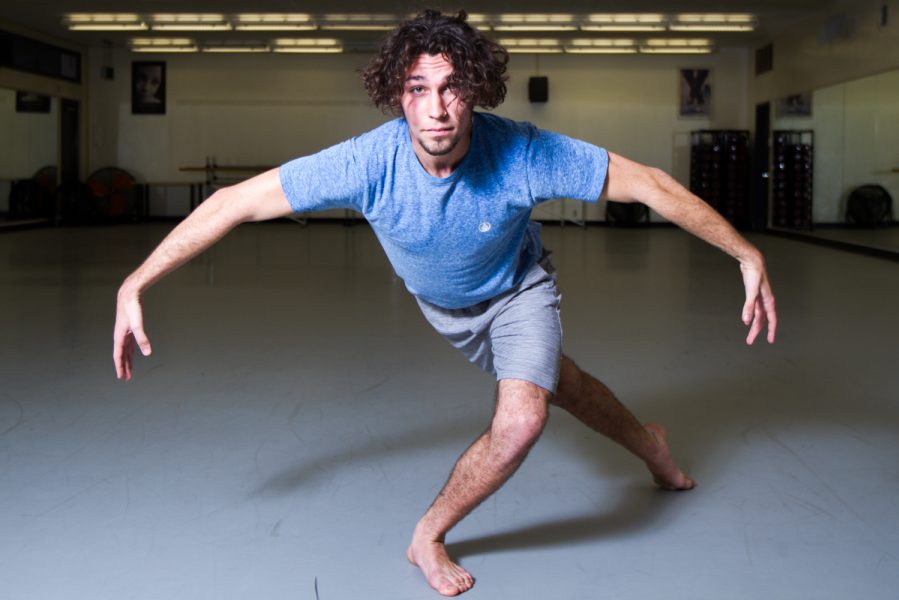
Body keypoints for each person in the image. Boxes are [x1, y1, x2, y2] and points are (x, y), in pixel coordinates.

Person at [113, 10, 777, 597]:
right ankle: (650, 444)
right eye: (418, 89)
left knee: (523, 417)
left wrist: (746, 254)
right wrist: (135, 281)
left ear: (476, 91)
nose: (435, 108)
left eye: (452, 87)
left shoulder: (522, 151)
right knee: (564, 384)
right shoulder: (366, 163)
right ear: (396, 95)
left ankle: (427, 534)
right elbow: (235, 202)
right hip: (443, 310)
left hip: (518, 292)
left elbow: (652, 184)